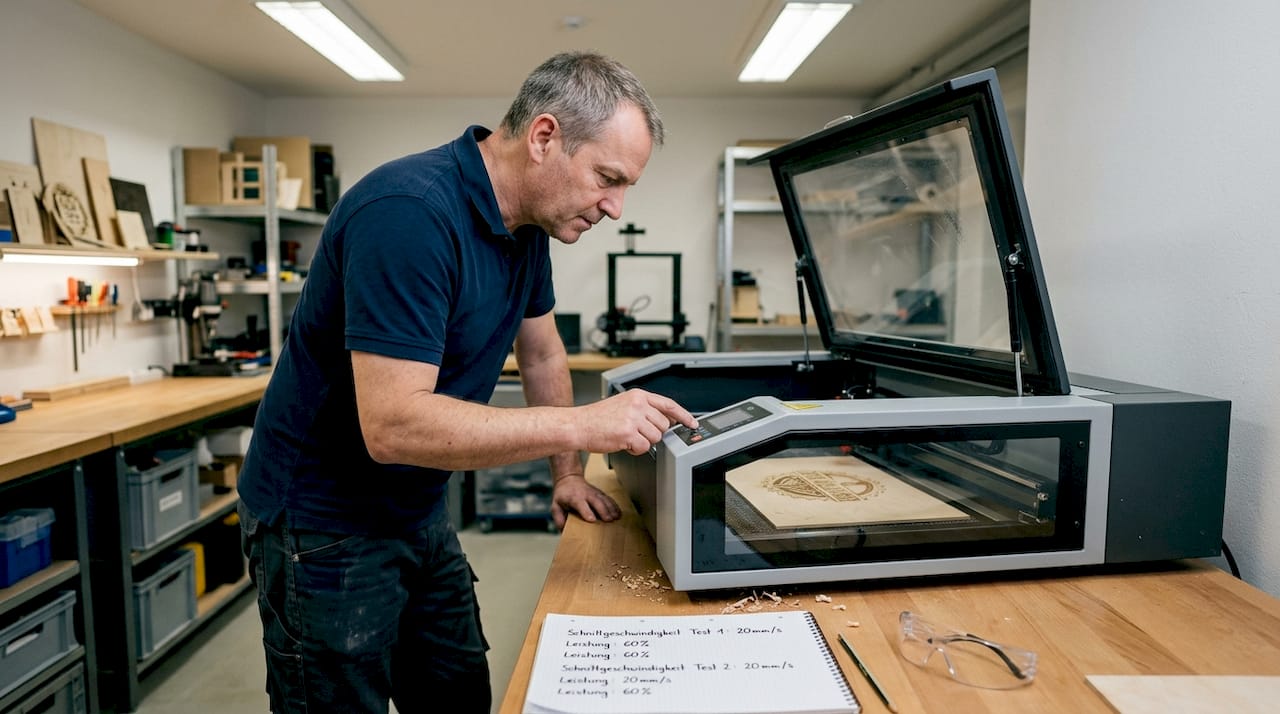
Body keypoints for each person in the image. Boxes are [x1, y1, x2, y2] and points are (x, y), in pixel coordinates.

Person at [235, 50, 697, 714]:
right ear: (544, 138)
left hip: (417, 508)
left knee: (456, 690)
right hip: (320, 519)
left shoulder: (529, 228)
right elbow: (392, 427)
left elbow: (541, 356)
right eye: (607, 177)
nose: (615, 207)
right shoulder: (408, 214)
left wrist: (567, 474)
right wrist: (586, 425)